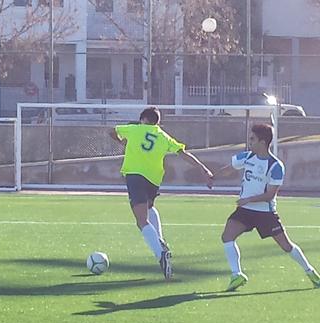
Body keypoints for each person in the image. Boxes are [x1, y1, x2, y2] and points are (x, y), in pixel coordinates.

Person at [110, 106, 214, 280]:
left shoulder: (134, 129)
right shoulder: (163, 136)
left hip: (135, 175)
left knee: (141, 221)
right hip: (153, 180)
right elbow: (183, 153)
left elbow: (111, 131)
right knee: (150, 207)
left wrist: (121, 141)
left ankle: (161, 255)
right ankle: (160, 241)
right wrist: (204, 169)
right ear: (157, 122)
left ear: (143, 119)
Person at [217, 123, 319, 291]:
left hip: (265, 213)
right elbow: (229, 169)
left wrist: (248, 199)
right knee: (227, 236)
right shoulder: (247, 157)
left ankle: (311, 273)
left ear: (263, 142)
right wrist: (212, 177)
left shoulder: (276, 166)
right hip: (245, 210)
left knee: (286, 246)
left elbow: (270, 195)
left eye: (252, 139)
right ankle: (237, 275)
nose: (250, 142)